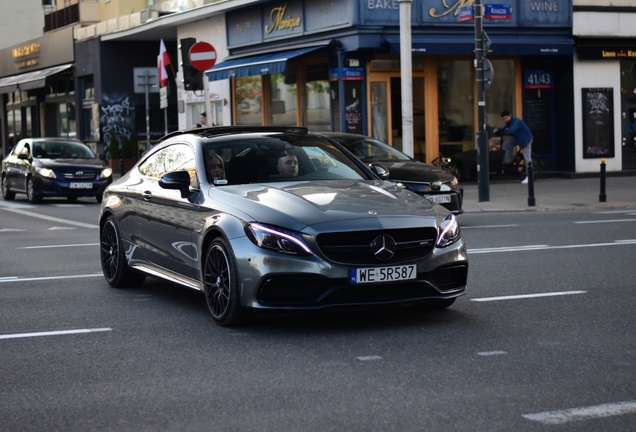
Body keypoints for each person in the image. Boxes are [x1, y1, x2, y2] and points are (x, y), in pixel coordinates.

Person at [493, 110, 534, 184]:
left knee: (527, 158)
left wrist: (506, 130)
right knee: (506, 144)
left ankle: (529, 177)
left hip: (525, 140)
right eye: (504, 119)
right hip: (517, 138)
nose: (505, 120)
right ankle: (503, 163)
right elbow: (504, 129)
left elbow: (511, 131)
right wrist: (498, 129)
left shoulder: (516, 122)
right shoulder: (509, 122)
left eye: (506, 118)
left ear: (510, 115)